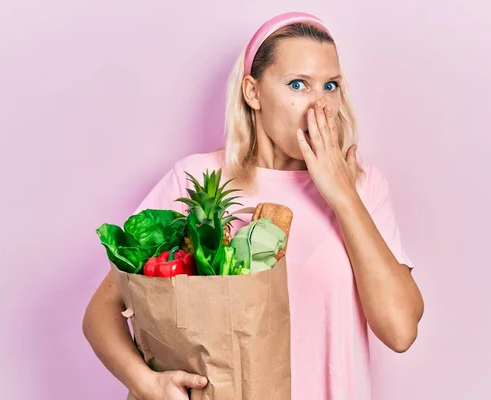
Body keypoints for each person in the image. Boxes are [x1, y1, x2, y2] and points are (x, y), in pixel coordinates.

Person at [83, 11, 424, 400]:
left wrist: (343, 196)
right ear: (253, 92)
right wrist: (148, 384)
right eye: (298, 84)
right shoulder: (197, 180)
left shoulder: (362, 184)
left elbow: (400, 331)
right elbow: (100, 314)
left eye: (331, 86)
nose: (321, 106)